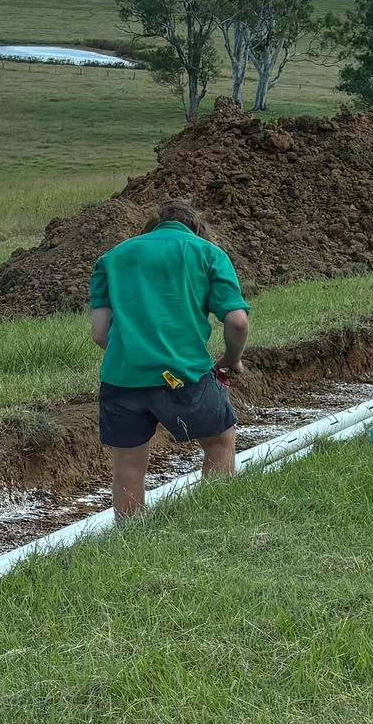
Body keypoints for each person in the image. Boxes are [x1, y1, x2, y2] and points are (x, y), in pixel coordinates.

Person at [87, 197, 250, 519]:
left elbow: (99, 333)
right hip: (183, 375)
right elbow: (237, 321)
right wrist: (232, 357)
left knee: (129, 462)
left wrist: (136, 354)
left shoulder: (113, 257)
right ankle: (215, 519)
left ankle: (131, 539)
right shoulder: (208, 253)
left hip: (121, 377)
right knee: (220, 440)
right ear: (196, 227)